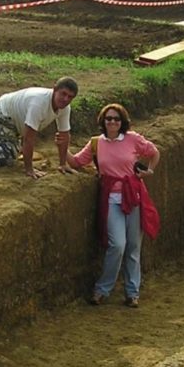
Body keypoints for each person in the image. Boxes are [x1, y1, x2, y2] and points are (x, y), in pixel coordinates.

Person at [61, 103, 160, 308]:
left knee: (133, 247)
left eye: (116, 119)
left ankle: (132, 293)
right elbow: (77, 162)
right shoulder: (96, 143)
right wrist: (63, 146)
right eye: (109, 119)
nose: (112, 122)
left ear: (122, 122)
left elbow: (154, 152)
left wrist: (150, 171)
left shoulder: (132, 139)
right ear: (103, 122)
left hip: (133, 197)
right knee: (118, 245)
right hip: (112, 199)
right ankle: (102, 289)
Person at [0, 77, 79, 179]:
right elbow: (28, 138)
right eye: (63, 94)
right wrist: (29, 169)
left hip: (15, 123)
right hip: (0, 114)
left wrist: (63, 164)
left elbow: (64, 136)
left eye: (70, 97)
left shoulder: (64, 108)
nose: (65, 99)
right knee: (7, 157)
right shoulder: (39, 103)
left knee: (12, 151)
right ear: (54, 90)